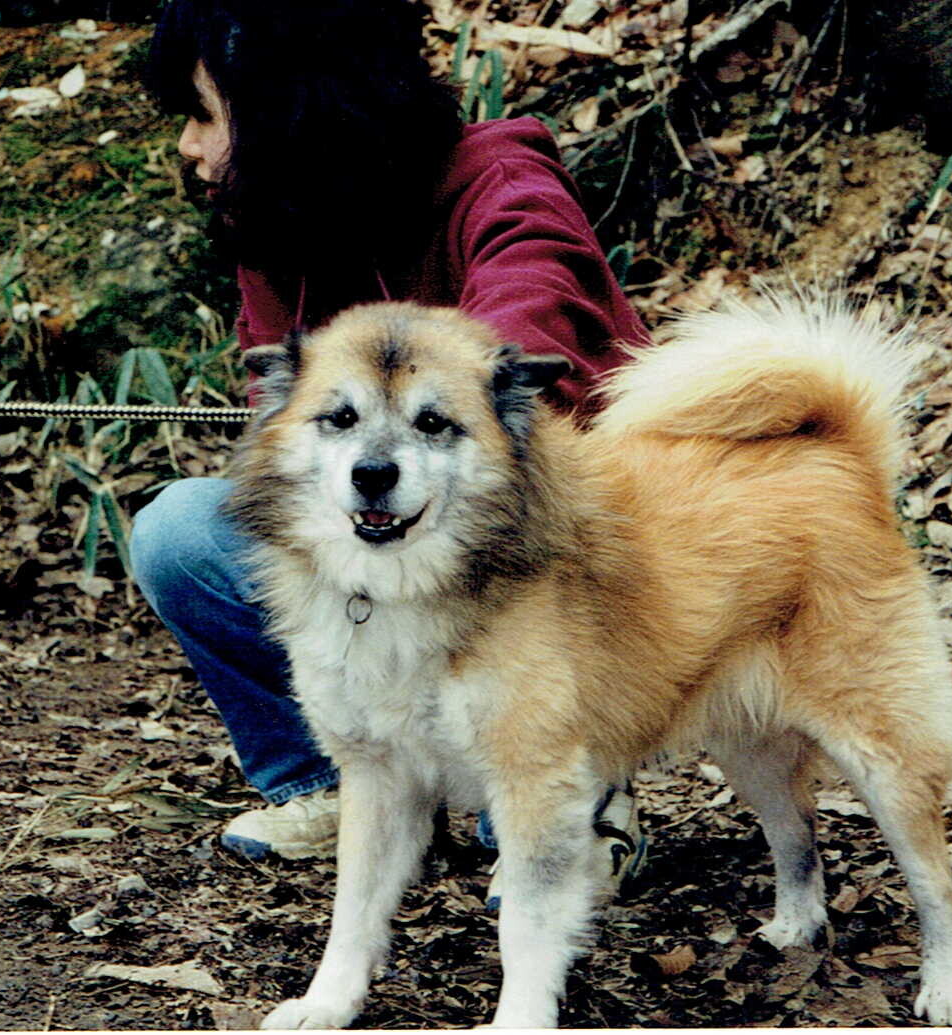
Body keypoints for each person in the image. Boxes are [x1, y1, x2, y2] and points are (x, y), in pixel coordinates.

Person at [129, 0, 652, 900]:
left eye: (204, 114)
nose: (187, 146)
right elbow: (284, 449)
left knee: (511, 527)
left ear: (289, 114)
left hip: (542, 553)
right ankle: (336, 779)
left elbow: (536, 313)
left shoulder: (498, 176)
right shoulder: (274, 228)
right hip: (387, 544)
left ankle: (572, 798)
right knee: (180, 533)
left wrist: (440, 406)